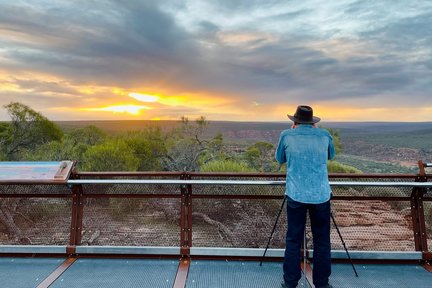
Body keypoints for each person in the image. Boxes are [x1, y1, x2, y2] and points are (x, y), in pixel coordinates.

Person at [275, 105, 335, 288]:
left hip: (296, 194)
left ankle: (290, 282)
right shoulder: (325, 136)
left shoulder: (287, 135)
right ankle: (322, 283)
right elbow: (330, 156)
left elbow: (279, 158)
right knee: (322, 241)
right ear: (313, 122)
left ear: (295, 121)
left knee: (293, 239)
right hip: (321, 196)